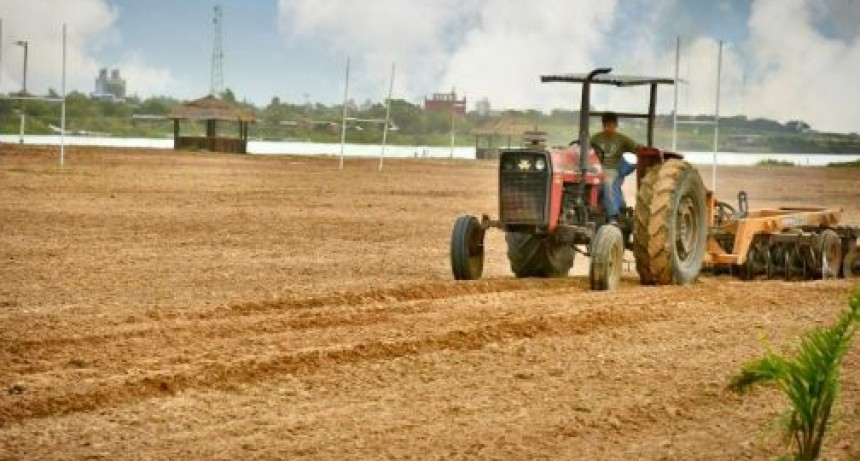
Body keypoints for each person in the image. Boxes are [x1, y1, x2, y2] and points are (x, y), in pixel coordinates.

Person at [590, 112, 640, 224]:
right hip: (597, 168)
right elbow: (587, 152)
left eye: (611, 126)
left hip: (613, 169)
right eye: (606, 125)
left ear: (616, 125)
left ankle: (612, 215)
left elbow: (637, 149)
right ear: (603, 125)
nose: (608, 128)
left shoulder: (622, 139)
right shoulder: (595, 138)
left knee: (607, 182)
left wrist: (635, 161)